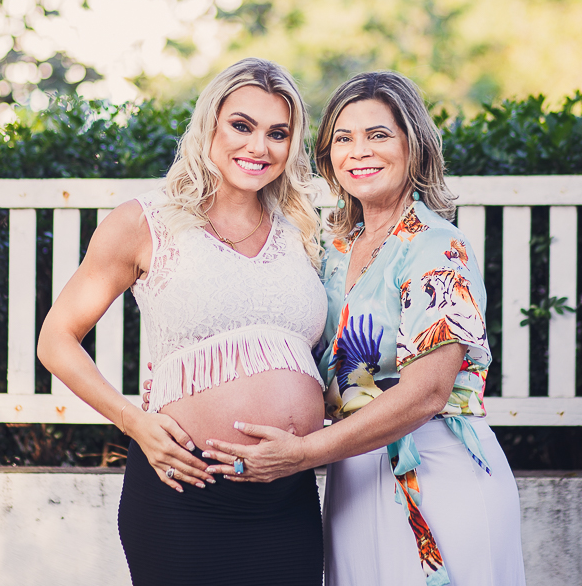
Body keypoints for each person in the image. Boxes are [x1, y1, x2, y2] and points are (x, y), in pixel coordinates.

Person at [202, 71, 525, 586]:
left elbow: (427, 394)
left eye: (378, 135)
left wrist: (303, 453)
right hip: (351, 475)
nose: (359, 152)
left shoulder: (434, 247)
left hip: (438, 472)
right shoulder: (333, 248)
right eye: (343, 140)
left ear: (412, 146)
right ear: (328, 157)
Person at [37, 58, 329, 586]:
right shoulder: (145, 221)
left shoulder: (303, 232)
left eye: (278, 133)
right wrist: (134, 422)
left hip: (288, 498)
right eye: (242, 126)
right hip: (184, 491)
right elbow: (56, 340)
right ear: (210, 125)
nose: (258, 147)